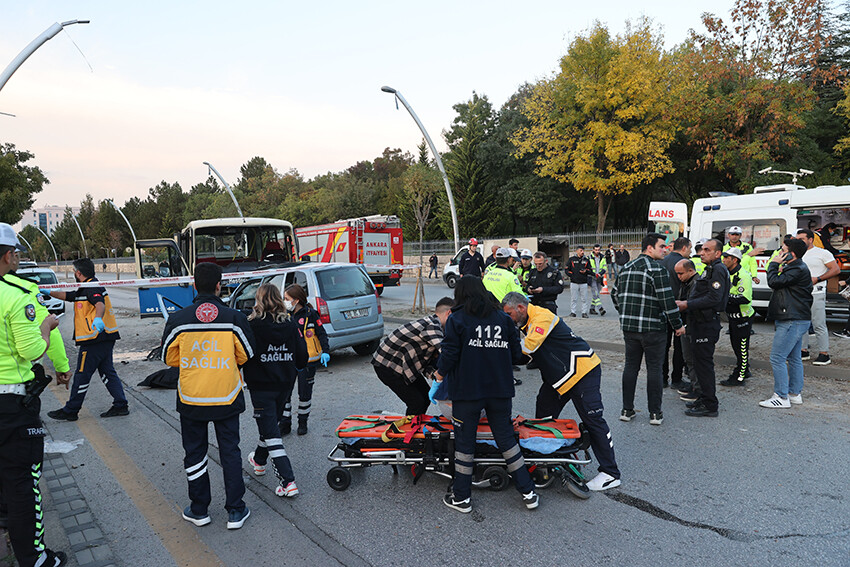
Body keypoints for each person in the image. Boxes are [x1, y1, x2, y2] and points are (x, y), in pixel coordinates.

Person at [161, 262, 256, 530]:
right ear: (219, 286)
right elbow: (247, 354)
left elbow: (169, 356)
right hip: (226, 397)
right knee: (230, 453)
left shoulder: (179, 319)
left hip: (192, 399)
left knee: (194, 454)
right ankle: (236, 511)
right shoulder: (234, 317)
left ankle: (199, 509)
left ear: (194, 285)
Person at [434, 277, 538, 513]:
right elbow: (516, 355)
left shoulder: (456, 319)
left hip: (467, 393)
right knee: (506, 440)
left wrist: (438, 376)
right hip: (500, 391)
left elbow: (449, 354)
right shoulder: (503, 318)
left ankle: (461, 497)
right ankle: (529, 492)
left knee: (464, 442)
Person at [501, 292, 621, 491]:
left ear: (520, 308)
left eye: (509, 314)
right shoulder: (526, 321)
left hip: (582, 371)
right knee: (543, 416)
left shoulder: (541, 316)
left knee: (593, 420)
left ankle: (611, 473)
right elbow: (527, 357)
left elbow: (528, 348)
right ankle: (547, 459)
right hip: (560, 376)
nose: (508, 318)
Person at [0, 225, 67, 567]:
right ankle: (35, 558)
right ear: (9, 255)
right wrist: (48, 327)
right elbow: (30, 351)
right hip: (12, 405)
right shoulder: (17, 294)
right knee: (23, 483)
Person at [612, 233, 685, 426]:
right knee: (654, 369)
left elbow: (615, 294)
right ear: (649, 248)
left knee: (631, 367)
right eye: (662, 246)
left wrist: (625, 311)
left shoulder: (625, 268)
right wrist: (677, 325)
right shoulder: (657, 269)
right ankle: (655, 414)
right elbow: (667, 302)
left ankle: (627, 410)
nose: (665, 249)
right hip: (653, 328)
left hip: (629, 328)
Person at [44, 258, 129, 421]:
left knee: (82, 374)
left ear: (78, 273)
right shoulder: (87, 286)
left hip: (94, 338)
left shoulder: (92, 286)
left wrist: (98, 319)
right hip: (104, 337)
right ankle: (121, 404)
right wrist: (48, 292)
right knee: (107, 372)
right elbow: (70, 296)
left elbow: (99, 304)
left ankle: (71, 410)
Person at [242, 283, 307, 498]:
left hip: (261, 386)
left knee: (271, 432)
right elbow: (302, 357)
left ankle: (288, 481)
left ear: (258, 301)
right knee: (270, 426)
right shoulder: (290, 324)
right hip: (284, 385)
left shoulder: (251, 325)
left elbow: (243, 355)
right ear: (279, 299)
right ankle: (259, 460)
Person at [675, 239, 729, 418]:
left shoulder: (718, 270)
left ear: (717, 253)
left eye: (707, 250)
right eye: (701, 250)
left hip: (706, 324)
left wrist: (687, 304)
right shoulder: (710, 269)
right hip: (699, 323)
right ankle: (704, 397)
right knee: (699, 364)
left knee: (704, 366)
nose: (702, 252)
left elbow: (714, 298)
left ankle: (710, 405)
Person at [372, 298, 453, 415]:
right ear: (449, 313)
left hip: (404, 366)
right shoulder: (432, 325)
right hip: (387, 366)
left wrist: (436, 377)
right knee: (416, 402)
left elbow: (427, 361)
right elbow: (447, 354)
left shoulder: (437, 328)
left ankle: (415, 426)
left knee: (425, 397)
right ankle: (409, 431)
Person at [760, 238, 812, 408]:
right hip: (796, 318)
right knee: (794, 357)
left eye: (783, 250)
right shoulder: (796, 267)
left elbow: (774, 282)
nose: (779, 253)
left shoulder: (797, 268)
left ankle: (781, 397)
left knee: (777, 357)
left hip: (792, 319)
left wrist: (773, 265)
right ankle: (794, 393)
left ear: (792, 253)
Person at [282, 284, 329, 435]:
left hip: (308, 361)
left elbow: (321, 333)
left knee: (304, 394)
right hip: (288, 360)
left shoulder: (311, 314)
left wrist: (325, 352)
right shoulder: (284, 315)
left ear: (296, 300)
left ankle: (303, 422)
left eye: (287, 299)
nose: (285, 301)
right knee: (285, 393)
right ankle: (285, 423)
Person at [796, 229, 840, 366]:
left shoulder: (822, 253)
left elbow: (836, 269)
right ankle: (803, 351)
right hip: (800, 294)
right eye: (797, 239)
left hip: (817, 292)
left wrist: (818, 278)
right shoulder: (796, 254)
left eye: (802, 239)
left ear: (810, 239)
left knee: (818, 324)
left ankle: (824, 354)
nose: (799, 242)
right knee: (801, 323)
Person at [720, 247, 754, 386]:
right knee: (736, 346)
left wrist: (724, 297)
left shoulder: (743, 275)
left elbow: (745, 298)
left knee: (741, 347)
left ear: (734, 260)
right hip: (733, 316)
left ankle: (740, 377)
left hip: (743, 317)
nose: (723, 260)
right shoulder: (727, 273)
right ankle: (744, 370)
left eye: (726, 257)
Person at [660, 237, 691, 389]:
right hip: (679, 309)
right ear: (684, 248)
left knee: (664, 346)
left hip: (663, 310)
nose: (691, 252)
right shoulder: (684, 264)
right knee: (680, 347)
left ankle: (663, 378)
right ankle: (676, 378)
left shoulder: (662, 261)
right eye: (690, 249)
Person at [673, 259, 700, 402]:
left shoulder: (696, 283)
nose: (678, 276)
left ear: (690, 270)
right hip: (686, 324)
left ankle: (698, 389)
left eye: (680, 273)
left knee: (694, 359)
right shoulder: (687, 282)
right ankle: (695, 386)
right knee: (688, 358)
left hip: (692, 325)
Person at [565, 247, 591, 318]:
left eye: (583, 250)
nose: (582, 252)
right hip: (574, 282)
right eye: (581, 250)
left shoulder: (586, 260)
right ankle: (573, 312)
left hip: (583, 282)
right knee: (574, 298)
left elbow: (590, 270)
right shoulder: (571, 259)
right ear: (577, 251)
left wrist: (586, 271)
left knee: (584, 299)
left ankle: (584, 312)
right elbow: (566, 269)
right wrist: (572, 275)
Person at [588, 244, 608, 316]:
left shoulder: (603, 258)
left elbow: (604, 267)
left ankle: (592, 309)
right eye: (596, 250)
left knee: (596, 294)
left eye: (598, 250)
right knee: (595, 293)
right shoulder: (589, 258)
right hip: (592, 277)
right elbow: (588, 268)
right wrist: (593, 274)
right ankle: (600, 308)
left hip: (599, 278)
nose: (597, 251)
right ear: (593, 250)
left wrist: (600, 273)